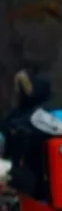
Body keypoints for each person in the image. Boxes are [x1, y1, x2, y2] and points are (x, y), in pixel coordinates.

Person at [0, 71, 52, 201]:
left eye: (23, 89)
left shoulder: (43, 116)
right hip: (18, 170)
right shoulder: (18, 113)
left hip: (36, 177)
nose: (19, 93)